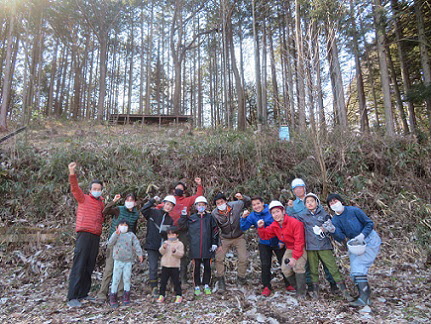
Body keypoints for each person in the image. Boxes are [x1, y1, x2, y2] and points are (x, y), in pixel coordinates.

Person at [325, 193, 382, 307]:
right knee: (354, 272)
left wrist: (362, 235)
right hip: (355, 244)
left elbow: (369, 223)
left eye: (335, 201)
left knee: (359, 268)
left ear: (341, 201)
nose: (334, 204)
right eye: (331, 203)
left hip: (370, 239)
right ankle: (364, 295)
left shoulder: (353, 211)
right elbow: (341, 238)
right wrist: (332, 230)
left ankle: (364, 299)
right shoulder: (335, 220)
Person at [296, 193, 353, 301]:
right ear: (305, 205)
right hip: (311, 247)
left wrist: (325, 228)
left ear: (317, 202)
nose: (310, 203)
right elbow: (293, 222)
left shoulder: (324, 213)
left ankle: (344, 291)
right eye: (307, 202)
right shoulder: (302, 216)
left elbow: (332, 225)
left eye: (312, 201)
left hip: (324, 245)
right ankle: (315, 293)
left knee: (333, 268)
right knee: (313, 270)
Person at [286, 178, 338, 293]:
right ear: (293, 191)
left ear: (304, 188)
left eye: (300, 187)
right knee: (309, 264)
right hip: (305, 238)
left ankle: (333, 284)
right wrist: (289, 208)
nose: (298, 190)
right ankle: (311, 286)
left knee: (327, 262)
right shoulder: (293, 204)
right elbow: (291, 219)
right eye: (295, 189)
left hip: (321, 238)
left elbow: (323, 216)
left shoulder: (313, 199)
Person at [66, 162, 105, 307]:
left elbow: (103, 215)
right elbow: (74, 188)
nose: (96, 191)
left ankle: (83, 293)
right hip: (84, 235)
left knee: (89, 265)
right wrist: (72, 172)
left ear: (101, 191)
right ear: (90, 190)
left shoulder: (101, 203)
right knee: (79, 264)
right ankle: (72, 297)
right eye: (94, 189)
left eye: (99, 189)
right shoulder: (84, 198)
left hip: (95, 236)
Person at [240, 196, 295, 296]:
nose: (256, 206)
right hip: (264, 243)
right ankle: (266, 286)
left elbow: (283, 223)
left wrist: (282, 240)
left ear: (263, 203)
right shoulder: (253, 216)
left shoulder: (271, 211)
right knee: (265, 264)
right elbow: (243, 227)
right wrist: (243, 218)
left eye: (258, 203)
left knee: (284, 262)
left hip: (278, 242)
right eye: (254, 205)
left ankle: (289, 283)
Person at [158, 178, 204, 287]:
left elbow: (198, 197)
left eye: (181, 189)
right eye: (177, 188)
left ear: (184, 191)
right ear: (174, 190)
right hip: (169, 231)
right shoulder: (170, 201)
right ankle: (169, 281)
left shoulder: (186, 201)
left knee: (182, 254)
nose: (179, 190)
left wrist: (199, 185)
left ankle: (183, 279)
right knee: (169, 254)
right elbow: (158, 208)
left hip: (182, 231)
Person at [257, 201, 307, 299]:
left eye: (277, 211)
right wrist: (261, 228)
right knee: (285, 269)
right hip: (289, 248)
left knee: (298, 267)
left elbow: (299, 241)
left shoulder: (295, 223)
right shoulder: (275, 225)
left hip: (300, 248)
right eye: (273, 213)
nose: (276, 215)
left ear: (283, 211)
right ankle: (297, 287)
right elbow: (265, 235)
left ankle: (302, 293)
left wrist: (295, 258)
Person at [96, 193, 140, 301]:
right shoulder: (119, 210)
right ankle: (102, 293)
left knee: (123, 270)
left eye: (132, 200)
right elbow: (105, 211)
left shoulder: (135, 214)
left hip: (126, 246)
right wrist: (114, 201)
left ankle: (120, 293)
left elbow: (133, 229)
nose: (129, 202)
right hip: (114, 243)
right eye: (127, 200)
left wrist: (133, 245)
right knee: (109, 269)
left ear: (135, 202)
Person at [178, 196, 219, 296]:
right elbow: (182, 226)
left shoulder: (210, 218)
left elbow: (215, 230)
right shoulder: (192, 218)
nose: (201, 207)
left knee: (207, 266)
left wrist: (214, 243)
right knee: (196, 267)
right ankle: (196, 285)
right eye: (199, 205)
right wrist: (183, 216)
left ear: (206, 206)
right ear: (196, 206)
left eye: (203, 205)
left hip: (207, 247)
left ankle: (206, 284)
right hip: (195, 247)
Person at [212, 192, 251, 291]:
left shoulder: (235, 205)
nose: (221, 204)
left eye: (222, 202)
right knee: (219, 258)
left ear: (226, 201)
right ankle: (220, 280)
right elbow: (214, 229)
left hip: (239, 236)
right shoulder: (214, 214)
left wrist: (243, 197)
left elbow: (248, 202)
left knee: (243, 258)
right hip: (224, 238)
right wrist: (217, 243)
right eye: (218, 203)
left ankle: (241, 278)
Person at [140, 195, 175, 297]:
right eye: (167, 204)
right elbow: (143, 210)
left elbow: (169, 235)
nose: (168, 207)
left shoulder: (170, 220)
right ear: (163, 203)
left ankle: (166, 286)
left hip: (163, 247)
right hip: (152, 245)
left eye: (171, 206)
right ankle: (154, 287)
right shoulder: (153, 212)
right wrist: (152, 200)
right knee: (153, 267)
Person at [107, 219, 144, 308]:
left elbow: (136, 244)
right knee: (116, 279)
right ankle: (113, 298)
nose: (124, 227)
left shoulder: (131, 235)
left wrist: (140, 254)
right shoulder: (116, 235)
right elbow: (110, 244)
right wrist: (115, 234)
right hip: (118, 260)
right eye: (122, 225)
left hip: (128, 261)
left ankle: (126, 298)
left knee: (127, 279)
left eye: (125, 225)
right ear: (117, 226)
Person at [157, 226, 185, 303]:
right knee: (163, 282)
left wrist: (175, 251)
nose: (171, 236)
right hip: (165, 265)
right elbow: (161, 252)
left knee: (176, 282)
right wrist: (163, 247)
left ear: (177, 235)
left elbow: (181, 254)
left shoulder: (179, 244)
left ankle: (179, 296)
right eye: (169, 235)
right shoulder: (165, 242)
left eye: (173, 234)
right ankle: (161, 295)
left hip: (174, 266)